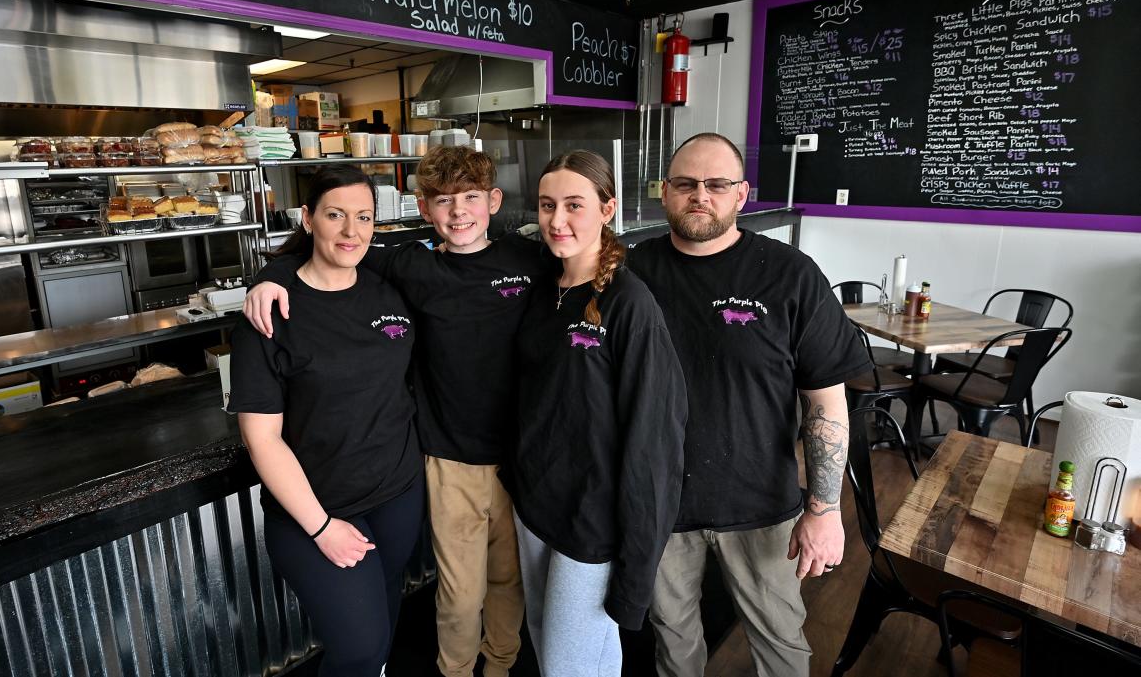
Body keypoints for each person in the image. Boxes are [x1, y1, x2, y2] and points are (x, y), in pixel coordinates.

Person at [243, 146, 537, 677]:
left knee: (505, 582)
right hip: (445, 462)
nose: (459, 212)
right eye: (444, 201)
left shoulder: (528, 258)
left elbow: (586, 264)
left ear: (493, 201)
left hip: (519, 459)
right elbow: (323, 253)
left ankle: (501, 665)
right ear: (423, 209)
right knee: (454, 596)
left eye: (471, 197)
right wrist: (270, 275)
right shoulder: (406, 264)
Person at [632, 134, 869, 677]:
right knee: (673, 645)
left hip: (761, 503)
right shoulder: (632, 272)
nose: (700, 196)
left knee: (781, 644)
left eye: (716, 185)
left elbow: (826, 403)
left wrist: (826, 508)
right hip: (661, 501)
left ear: (741, 194)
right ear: (665, 193)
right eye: (686, 184)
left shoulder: (790, 274)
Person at [228, 164, 424, 677]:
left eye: (364, 217)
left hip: (398, 494)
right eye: (335, 215)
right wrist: (320, 527)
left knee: (381, 631)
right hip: (317, 509)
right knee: (358, 648)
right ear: (307, 217)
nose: (351, 231)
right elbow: (262, 439)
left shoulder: (389, 284)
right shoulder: (269, 313)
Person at [508, 150, 688, 677]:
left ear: (607, 209)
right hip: (536, 506)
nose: (557, 221)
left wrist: (635, 573)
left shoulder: (630, 305)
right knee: (546, 648)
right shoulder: (544, 288)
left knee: (572, 667)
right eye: (546, 206)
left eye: (574, 205)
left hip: (593, 521)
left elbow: (654, 442)